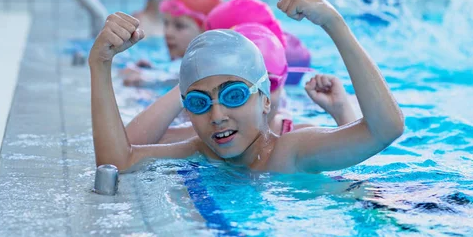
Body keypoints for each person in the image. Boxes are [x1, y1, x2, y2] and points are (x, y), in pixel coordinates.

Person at [89, 0, 404, 173]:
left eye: (234, 96)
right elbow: (117, 161)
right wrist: (100, 65)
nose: (217, 116)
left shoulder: (290, 152)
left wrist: (334, 24)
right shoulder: (200, 150)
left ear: (265, 101)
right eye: (200, 103)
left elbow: (385, 130)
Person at [123, 22, 357, 144]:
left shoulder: (294, 136)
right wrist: (190, 83)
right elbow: (127, 148)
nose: (221, 113)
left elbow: (355, 154)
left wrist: (342, 113)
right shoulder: (204, 134)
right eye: (232, 93)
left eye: (271, 86)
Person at [122, 0, 224, 87]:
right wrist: (153, 70)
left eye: (179, 26)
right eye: (166, 23)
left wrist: (150, 79)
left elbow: (193, 80)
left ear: (206, 32)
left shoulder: (211, 68)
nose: (168, 32)